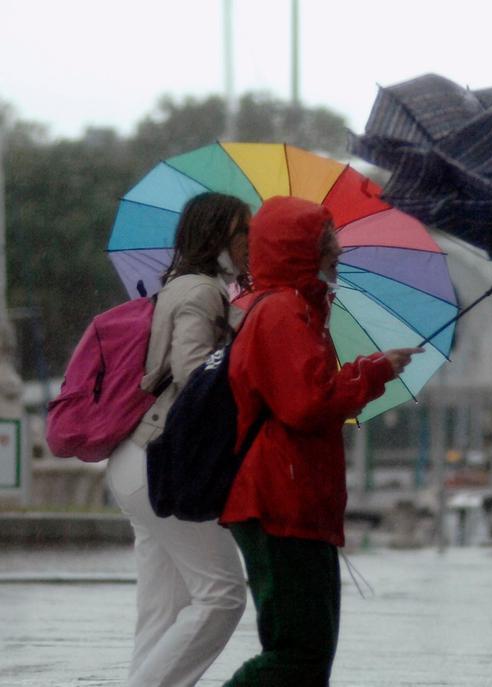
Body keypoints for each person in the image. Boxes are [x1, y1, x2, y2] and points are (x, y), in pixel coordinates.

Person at [220, 196, 422, 686]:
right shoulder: (282, 313)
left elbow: (307, 393)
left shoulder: (302, 312)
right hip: (278, 502)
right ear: (299, 248)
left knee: (308, 657)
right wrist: (371, 373)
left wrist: (369, 371)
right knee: (298, 654)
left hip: (298, 502)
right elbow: (306, 403)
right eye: (327, 239)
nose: (338, 250)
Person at [105, 192, 250, 687]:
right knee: (222, 594)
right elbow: (193, 370)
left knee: (162, 611)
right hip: (160, 461)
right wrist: (243, 344)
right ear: (216, 239)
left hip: (137, 459)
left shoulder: (188, 286)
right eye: (241, 233)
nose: (250, 241)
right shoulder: (201, 291)